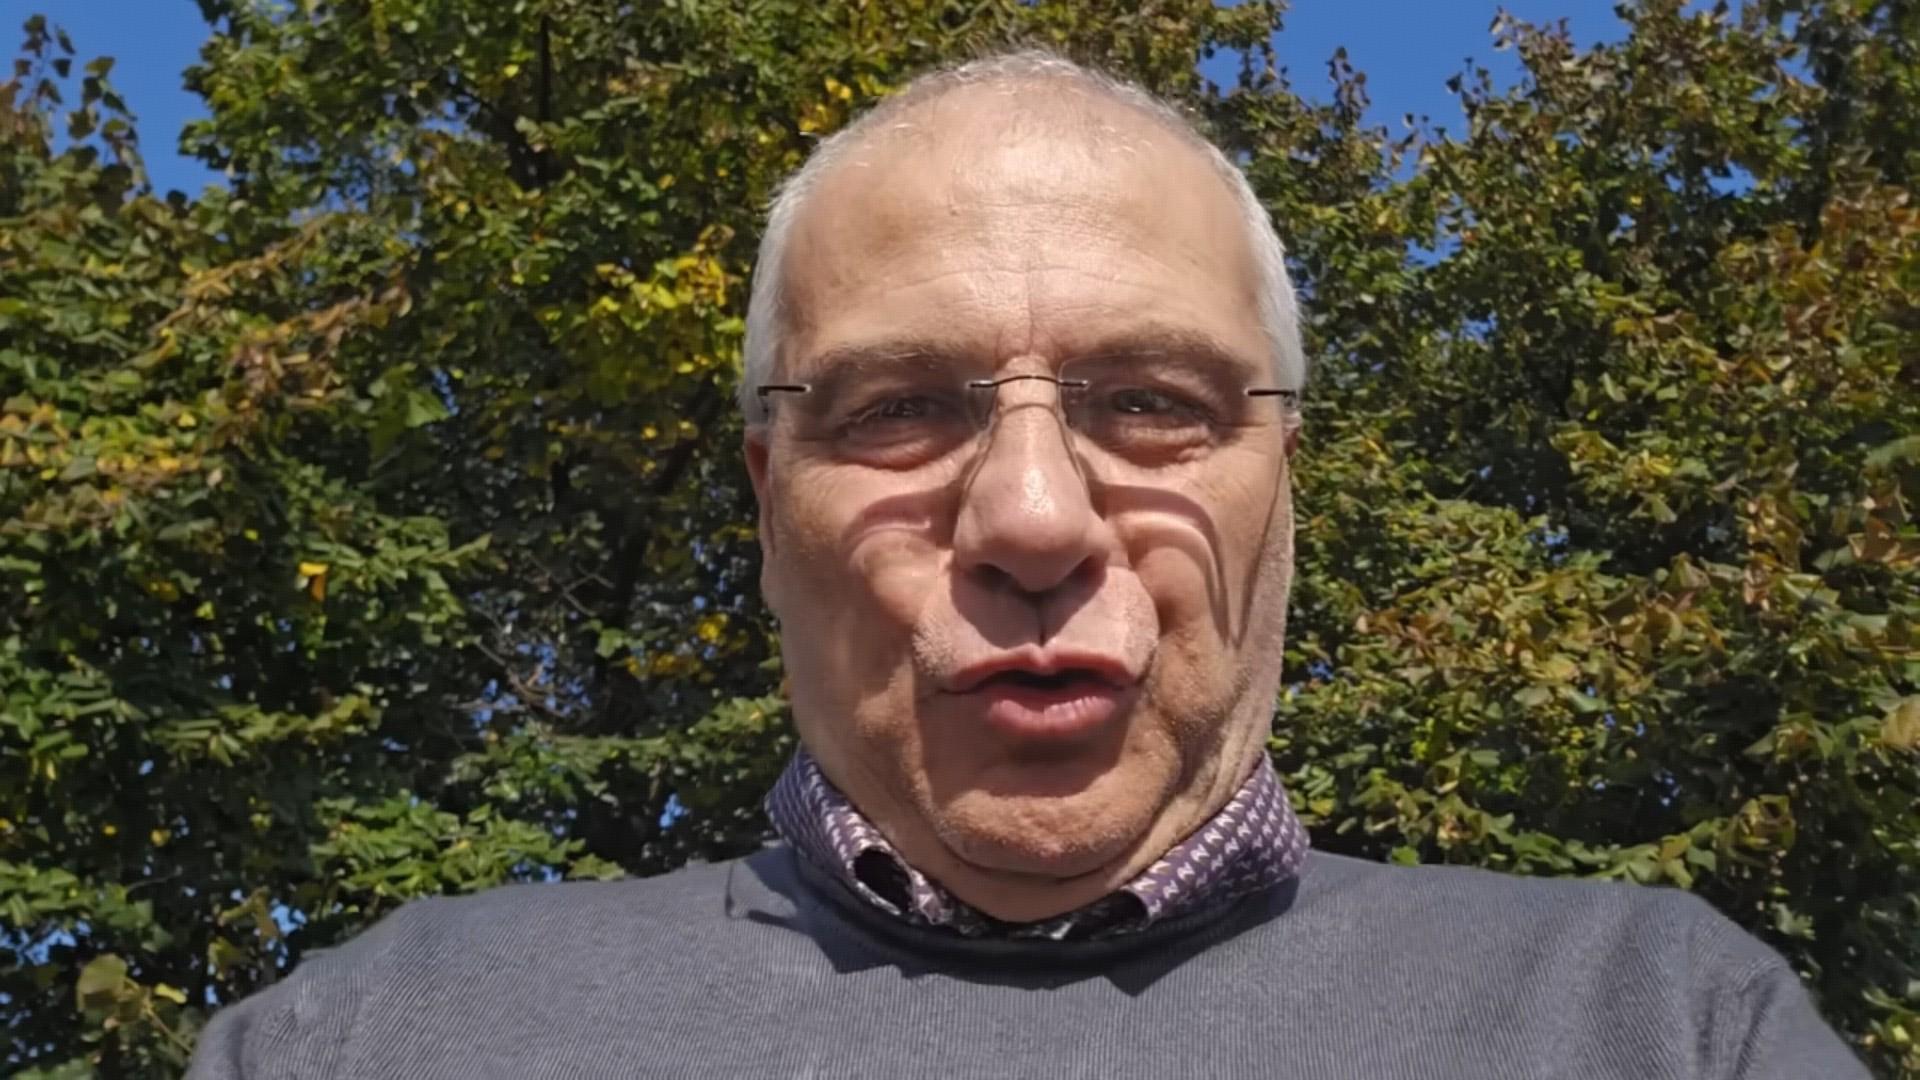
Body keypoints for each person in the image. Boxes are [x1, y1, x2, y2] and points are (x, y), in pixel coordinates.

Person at [186, 50, 1867, 1079]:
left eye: (1154, 403)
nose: (1036, 518)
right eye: (902, 409)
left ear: (1284, 486)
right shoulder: (378, 1042)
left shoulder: (1659, 1025)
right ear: (770, 508)